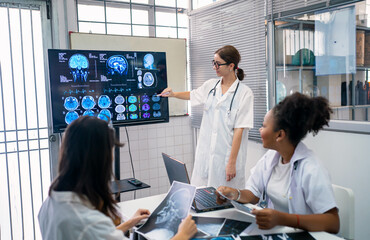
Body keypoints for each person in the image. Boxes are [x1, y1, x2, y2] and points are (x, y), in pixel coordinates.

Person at [38, 116, 197, 240]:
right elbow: (91, 231)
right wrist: (182, 235)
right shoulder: (88, 221)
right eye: (110, 153)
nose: (112, 159)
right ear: (98, 160)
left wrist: (128, 223)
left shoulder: (50, 203)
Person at [217, 92, 340, 233]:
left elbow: (333, 223)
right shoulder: (271, 158)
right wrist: (235, 194)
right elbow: (254, 193)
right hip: (278, 232)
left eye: (264, 126)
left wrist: (282, 219)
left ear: (280, 135)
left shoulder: (311, 168)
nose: (260, 130)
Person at [160, 45, 254, 189]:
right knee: (201, 197)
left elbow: (239, 130)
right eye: (213, 62)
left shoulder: (244, 93)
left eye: (218, 64)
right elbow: (193, 95)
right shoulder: (211, 85)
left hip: (226, 158)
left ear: (231, 66)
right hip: (206, 156)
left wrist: (231, 163)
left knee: (224, 201)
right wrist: (173, 94)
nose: (214, 67)